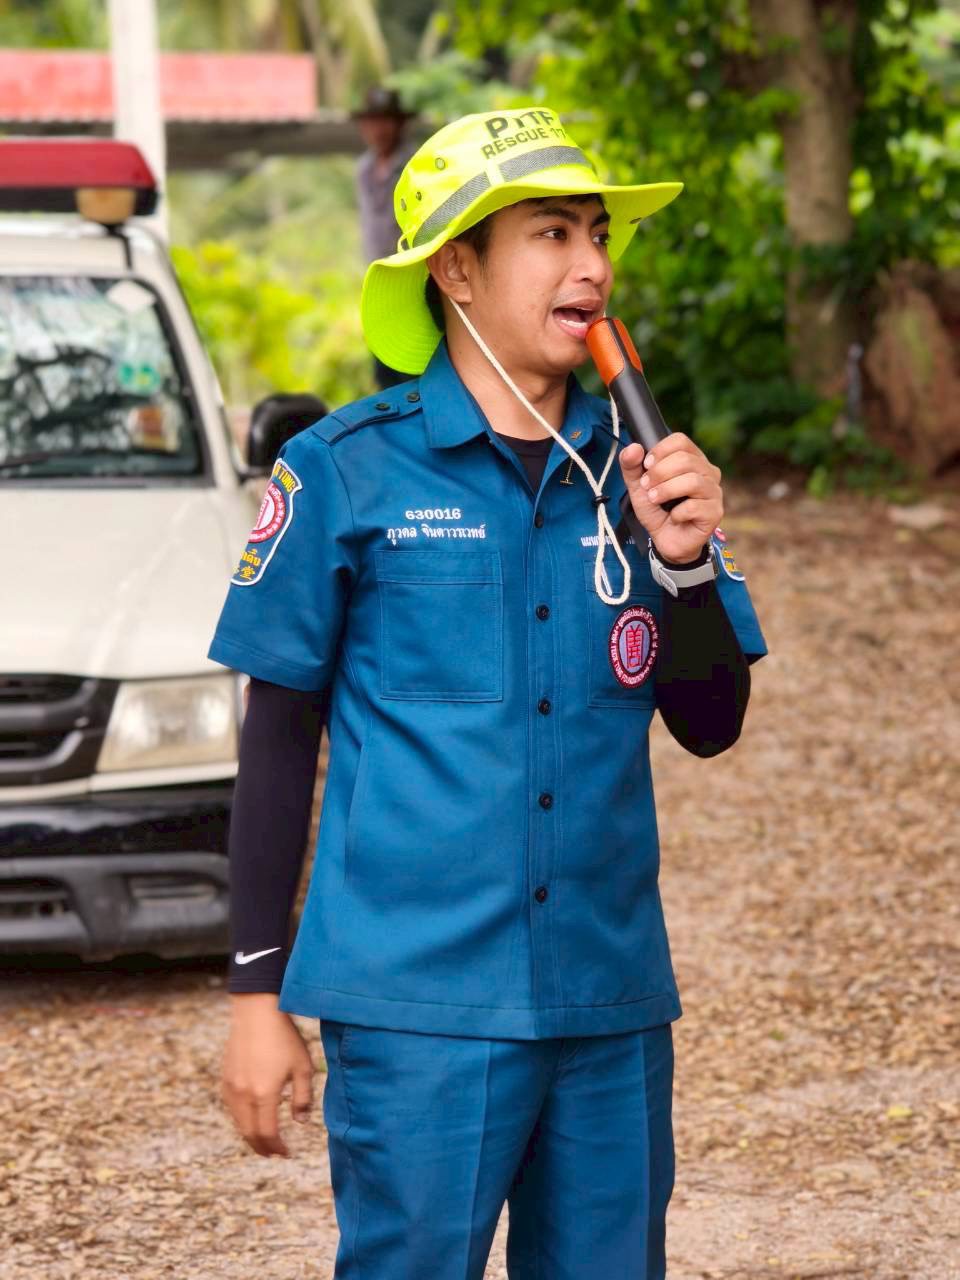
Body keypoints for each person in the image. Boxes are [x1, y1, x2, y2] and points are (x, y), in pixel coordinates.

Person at [210, 106, 767, 1280]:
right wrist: (257, 991)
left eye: (598, 234)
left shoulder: (645, 475)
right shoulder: (345, 470)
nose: (592, 265)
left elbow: (711, 724)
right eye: (552, 233)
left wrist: (684, 564)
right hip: (416, 1015)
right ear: (456, 270)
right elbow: (279, 735)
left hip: (608, 1006)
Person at [352, 86, 416, 390]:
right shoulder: (363, 169)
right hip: (378, 281)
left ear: (400, 124)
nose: (379, 129)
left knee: (414, 367)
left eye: (386, 120)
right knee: (384, 374)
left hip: (413, 281)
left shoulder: (416, 164)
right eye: (373, 121)